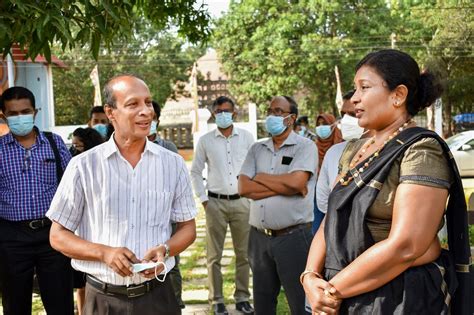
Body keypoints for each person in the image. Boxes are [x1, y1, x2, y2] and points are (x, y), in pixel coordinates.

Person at [302, 49, 471, 314]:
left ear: (398, 95)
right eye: (354, 88)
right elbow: (331, 217)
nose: (355, 98)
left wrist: (330, 291)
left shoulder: (421, 150)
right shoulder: (353, 150)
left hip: (398, 298)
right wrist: (310, 276)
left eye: (364, 87)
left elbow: (407, 245)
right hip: (344, 291)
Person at [46, 74, 198, 315]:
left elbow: (188, 228)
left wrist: (166, 249)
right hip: (103, 298)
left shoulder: (173, 164)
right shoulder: (83, 167)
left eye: (148, 102)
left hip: (158, 296)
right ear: (111, 112)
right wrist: (104, 253)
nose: (146, 111)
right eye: (133, 104)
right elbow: (58, 236)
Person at [238, 96, 317, 315]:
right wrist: (286, 186)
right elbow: (244, 188)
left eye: (279, 111)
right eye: (270, 110)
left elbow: (297, 183)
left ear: (291, 118)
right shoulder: (256, 148)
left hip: (293, 237)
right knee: (262, 303)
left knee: (300, 302)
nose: (272, 115)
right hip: (259, 238)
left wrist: (260, 178)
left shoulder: (305, 147)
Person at [0, 86, 73, 315]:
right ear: (3, 116)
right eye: (13, 113)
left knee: (60, 302)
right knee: (14, 304)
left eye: (25, 111)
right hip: (11, 237)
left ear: (35, 112)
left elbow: (73, 185)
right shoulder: (0, 150)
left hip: (52, 234)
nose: (20, 117)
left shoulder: (55, 143)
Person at [191, 96, 255, 315]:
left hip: (242, 202)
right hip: (215, 203)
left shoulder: (247, 138)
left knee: (244, 255)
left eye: (227, 111)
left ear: (235, 113)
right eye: (219, 111)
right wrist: (204, 199)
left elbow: (254, 167)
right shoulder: (206, 140)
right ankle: (216, 300)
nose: (223, 114)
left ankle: (242, 298)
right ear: (213, 114)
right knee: (213, 256)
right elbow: (196, 171)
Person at [148, 100, 185, 309]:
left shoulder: (168, 148)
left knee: (171, 264)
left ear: (157, 121)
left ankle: (175, 303)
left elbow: (174, 181)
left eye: (152, 117)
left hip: (167, 217)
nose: (148, 120)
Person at [312, 90, 365, 233]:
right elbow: (323, 202)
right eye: (343, 114)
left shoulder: (386, 150)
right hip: (334, 229)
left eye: (353, 114)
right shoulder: (334, 152)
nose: (346, 120)